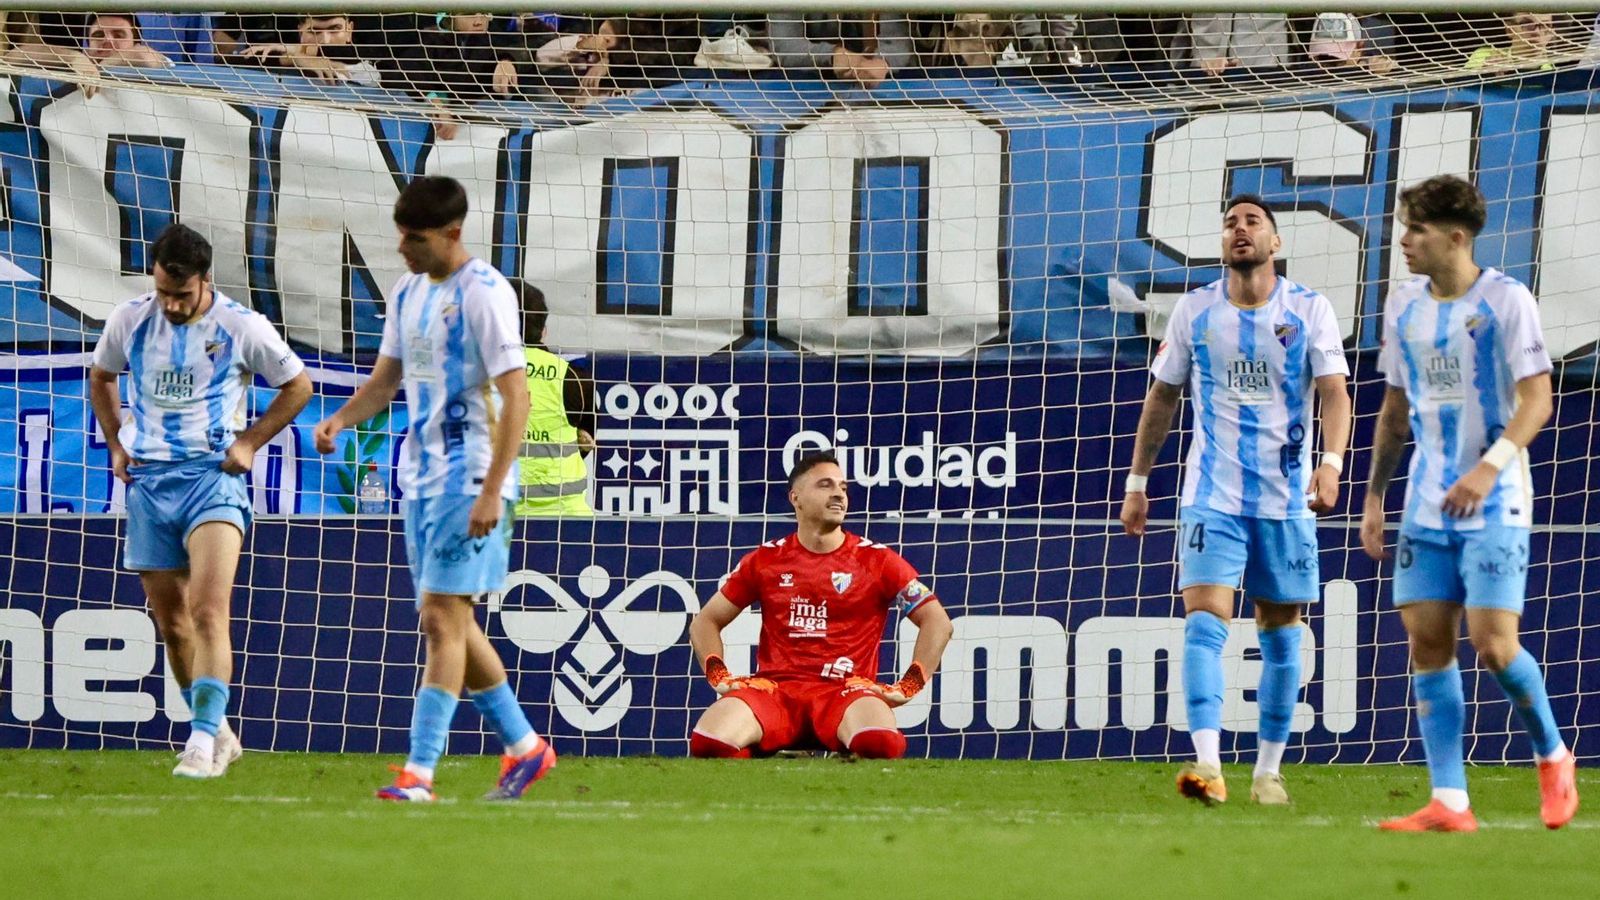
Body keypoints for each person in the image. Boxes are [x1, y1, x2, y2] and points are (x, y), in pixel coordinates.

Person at [312, 176, 556, 803]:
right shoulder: (407, 291)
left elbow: (517, 395)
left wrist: (493, 490)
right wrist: (342, 417)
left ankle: (419, 773)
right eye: (399, 236)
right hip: (420, 477)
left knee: (440, 621)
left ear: (452, 233)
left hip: (470, 472)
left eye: (414, 238)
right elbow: (385, 380)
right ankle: (526, 747)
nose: (402, 249)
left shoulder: (485, 294)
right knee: (450, 619)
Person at [1361, 175, 1578, 832]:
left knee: (1494, 647)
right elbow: (1395, 409)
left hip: (1495, 499)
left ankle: (1552, 754)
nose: (1404, 241)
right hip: (1426, 504)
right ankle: (1450, 801)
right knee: (1427, 642)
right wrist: (1374, 496)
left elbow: (1537, 399)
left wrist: (1488, 469)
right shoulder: (1403, 306)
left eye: (1418, 230)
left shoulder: (1507, 300)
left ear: (1455, 237)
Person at [1120, 194, 1351, 806]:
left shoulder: (1308, 310)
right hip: (1211, 495)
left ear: (1275, 242)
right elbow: (1162, 401)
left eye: (1252, 222)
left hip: (1285, 499)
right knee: (1203, 622)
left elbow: (1334, 393)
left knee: (1281, 632)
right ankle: (1207, 764)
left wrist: (1331, 465)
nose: (1239, 230)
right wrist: (1137, 484)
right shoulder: (1195, 311)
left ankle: (1268, 772)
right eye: (1229, 223)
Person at [87, 224, 312, 778]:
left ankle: (200, 740)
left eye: (182, 295)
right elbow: (100, 377)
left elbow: (299, 385)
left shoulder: (240, 325)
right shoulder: (129, 319)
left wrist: (250, 442)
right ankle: (219, 732)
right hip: (149, 483)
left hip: (212, 479)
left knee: (209, 611)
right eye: (164, 290)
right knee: (173, 626)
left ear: (205, 281)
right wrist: (116, 443)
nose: (172, 303)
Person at [687, 451, 954, 760]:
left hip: (845, 691)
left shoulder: (877, 560)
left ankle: (807, 750)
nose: (839, 493)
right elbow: (704, 621)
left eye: (843, 487)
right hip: (776, 691)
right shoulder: (765, 560)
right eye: (825, 485)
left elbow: (937, 621)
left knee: (879, 744)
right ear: (795, 497)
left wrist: (909, 684)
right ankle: (768, 759)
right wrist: (719, 674)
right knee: (709, 743)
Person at [507, 278, 594, 517]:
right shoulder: (575, 378)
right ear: (544, 330)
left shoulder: (480, 376)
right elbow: (585, 444)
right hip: (568, 520)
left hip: (499, 521)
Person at [1464, 11, 1556, 72]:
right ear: (1509, 30)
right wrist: (1485, 73)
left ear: (1552, 32)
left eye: (1545, 25)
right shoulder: (1484, 55)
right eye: (1527, 23)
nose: (1537, 32)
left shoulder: (1554, 74)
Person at [85, 13, 172, 68]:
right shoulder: (77, 68)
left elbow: (144, 56)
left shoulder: (159, 63)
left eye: (118, 36)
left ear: (136, 45)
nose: (107, 40)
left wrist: (104, 66)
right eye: (99, 35)